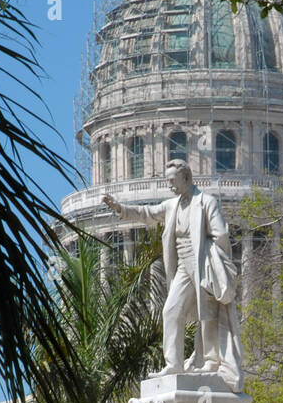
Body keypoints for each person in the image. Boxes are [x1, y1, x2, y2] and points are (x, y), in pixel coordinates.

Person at [103, 160, 243, 391]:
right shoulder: (171, 206)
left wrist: (218, 267)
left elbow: (221, 236)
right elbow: (147, 213)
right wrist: (120, 208)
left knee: (207, 313)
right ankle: (174, 363)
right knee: (171, 310)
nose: (169, 185)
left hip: (203, 263)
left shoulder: (206, 202)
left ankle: (210, 360)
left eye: (172, 180)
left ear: (186, 178)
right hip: (183, 267)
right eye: (168, 181)